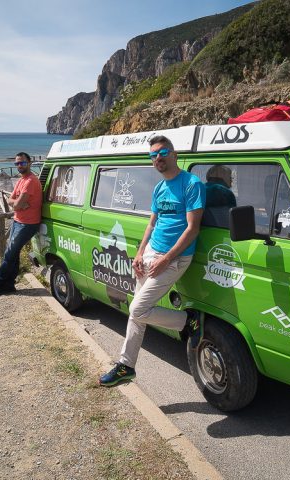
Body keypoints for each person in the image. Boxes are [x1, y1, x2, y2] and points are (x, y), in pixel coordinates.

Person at [99, 135, 206, 387]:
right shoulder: (159, 188)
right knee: (136, 313)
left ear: (174, 154)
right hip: (150, 254)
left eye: (162, 152)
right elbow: (151, 224)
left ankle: (188, 320)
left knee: (137, 309)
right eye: (153, 155)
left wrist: (167, 259)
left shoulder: (191, 184)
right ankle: (126, 365)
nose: (157, 157)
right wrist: (139, 252)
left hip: (175, 259)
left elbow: (192, 229)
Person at [0, 152, 42, 295]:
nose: (20, 166)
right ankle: (8, 284)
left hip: (28, 223)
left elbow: (15, 204)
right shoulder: (21, 180)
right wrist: (18, 203)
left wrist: (18, 203)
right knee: (13, 253)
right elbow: (11, 201)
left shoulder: (31, 181)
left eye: (23, 163)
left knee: (9, 253)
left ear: (30, 163)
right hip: (18, 220)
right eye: (17, 163)